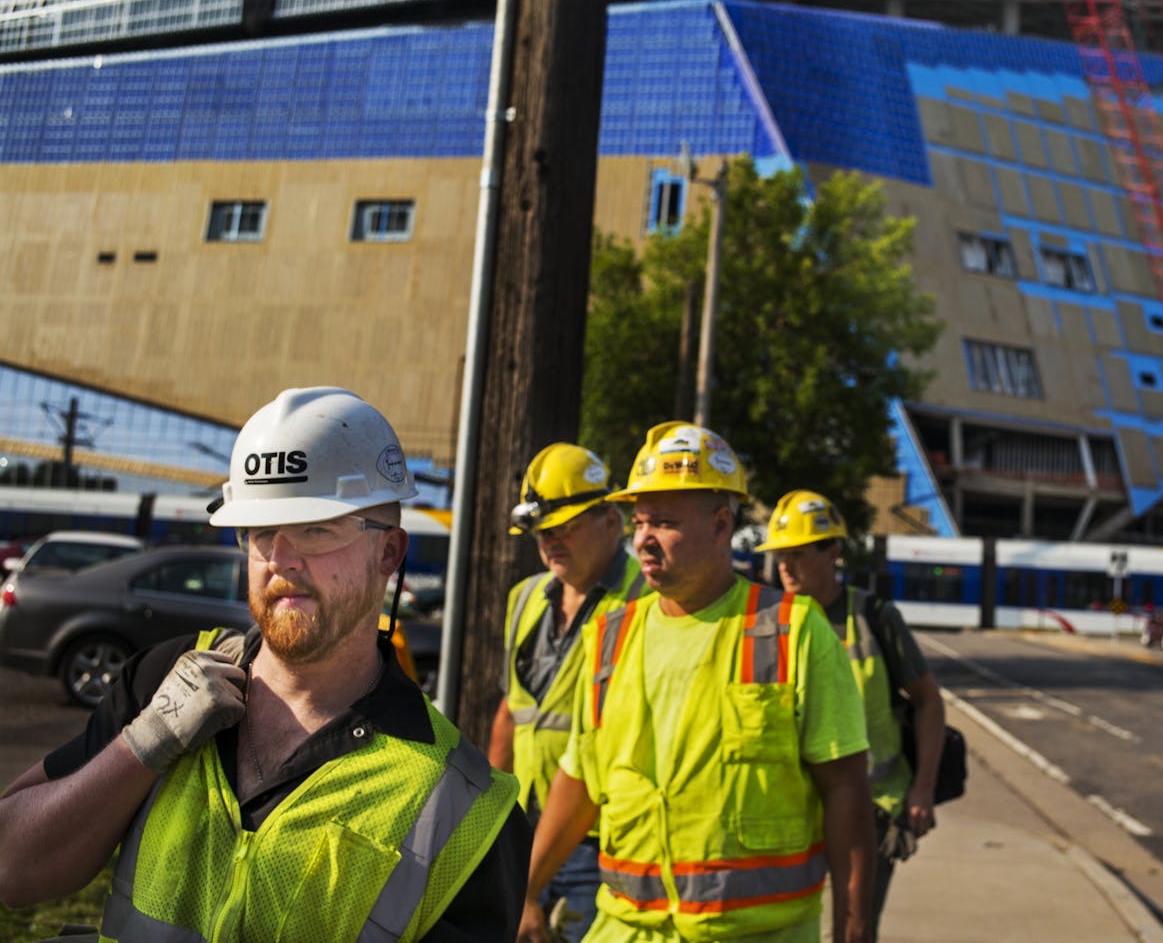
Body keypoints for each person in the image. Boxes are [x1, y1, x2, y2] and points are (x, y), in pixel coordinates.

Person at [0, 387, 530, 943]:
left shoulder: (461, 808)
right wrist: (144, 745)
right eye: (259, 533)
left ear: (389, 555)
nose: (280, 559)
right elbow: (13, 867)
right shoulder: (164, 680)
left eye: (316, 529)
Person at [517, 422, 875, 943]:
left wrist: (853, 927)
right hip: (625, 930)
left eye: (664, 521)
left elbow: (846, 790)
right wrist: (526, 891)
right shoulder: (611, 637)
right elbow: (580, 779)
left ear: (721, 524)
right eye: (639, 521)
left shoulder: (792, 631)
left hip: (754, 934)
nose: (643, 538)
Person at [755, 490, 946, 939]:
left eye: (798, 555)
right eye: (780, 555)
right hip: (790, 815)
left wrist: (922, 789)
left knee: (853, 932)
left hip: (870, 810)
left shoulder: (873, 618)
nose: (785, 566)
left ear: (833, 553)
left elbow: (928, 701)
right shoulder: (770, 622)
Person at [489, 443, 646, 942]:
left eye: (566, 526)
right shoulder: (526, 598)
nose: (550, 540)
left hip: (602, 839)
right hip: (524, 830)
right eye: (541, 530)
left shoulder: (649, 602)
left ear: (611, 521)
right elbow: (511, 714)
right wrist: (493, 823)